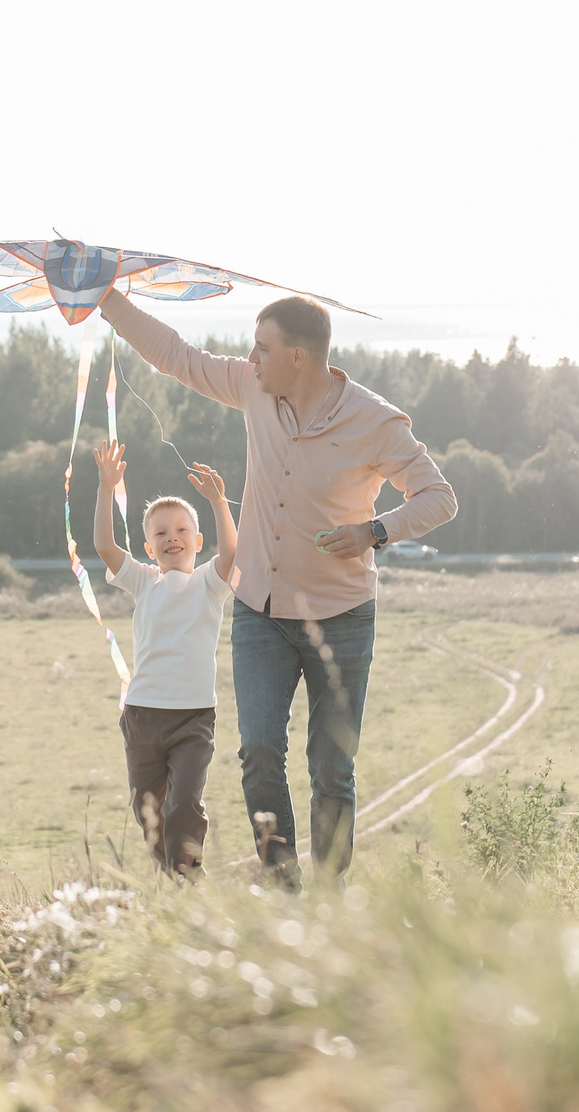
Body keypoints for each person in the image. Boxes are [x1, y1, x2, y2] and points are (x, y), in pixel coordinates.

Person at [98, 288, 456, 881]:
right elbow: (176, 356)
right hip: (259, 611)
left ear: (299, 357)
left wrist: (375, 529)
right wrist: (107, 298)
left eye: (261, 348)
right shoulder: (253, 387)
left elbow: (440, 497)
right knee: (259, 753)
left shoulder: (374, 421)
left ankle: (331, 895)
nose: (250, 357)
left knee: (331, 767)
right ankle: (282, 886)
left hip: (341, 617)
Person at [89, 437, 235, 877]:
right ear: (149, 547)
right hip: (143, 717)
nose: (172, 538)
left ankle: (188, 880)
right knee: (149, 812)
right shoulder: (143, 581)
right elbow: (103, 545)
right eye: (161, 533)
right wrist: (105, 487)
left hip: (193, 718)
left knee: (186, 801)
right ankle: (174, 876)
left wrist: (220, 502)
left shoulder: (209, 584)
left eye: (181, 531)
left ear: (197, 540)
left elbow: (232, 552)